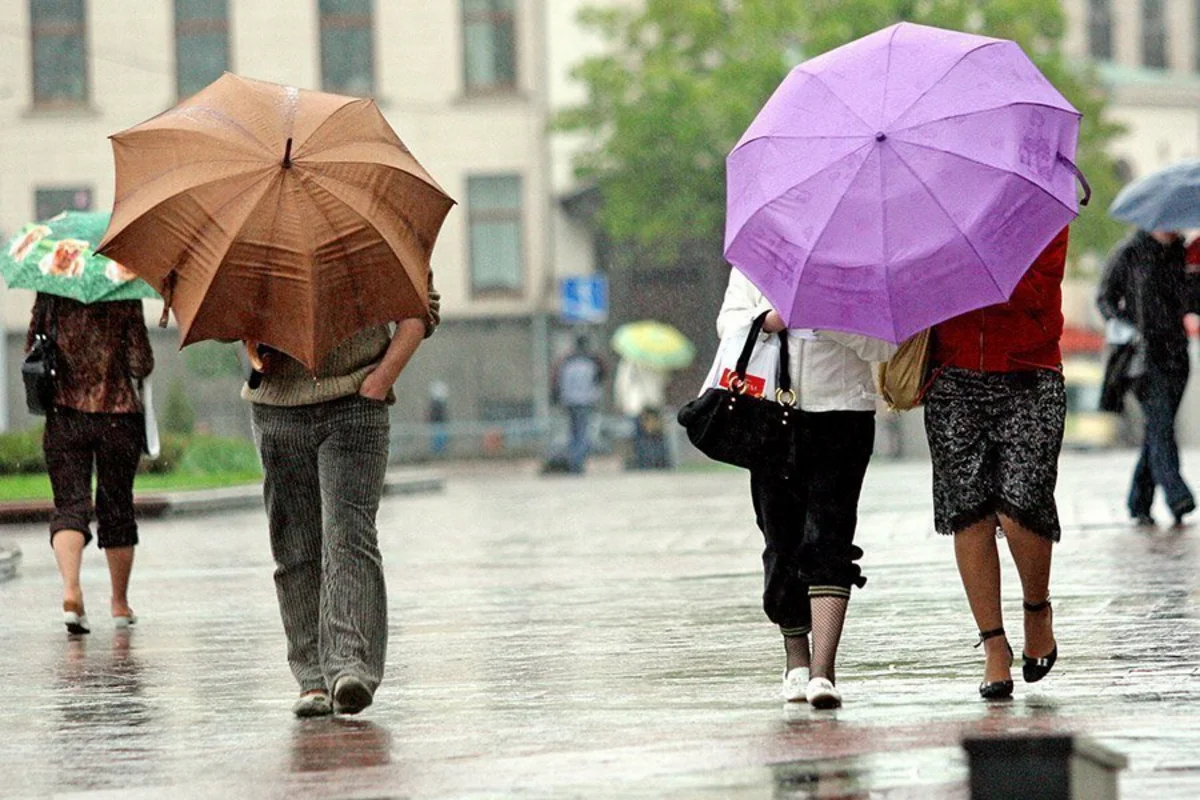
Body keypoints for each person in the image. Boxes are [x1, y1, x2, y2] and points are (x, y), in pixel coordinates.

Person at [245, 288, 439, 718]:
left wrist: (381, 378)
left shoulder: (381, 227)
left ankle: (350, 668)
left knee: (347, 535)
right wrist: (249, 335)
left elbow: (420, 310)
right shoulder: (260, 236)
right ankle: (312, 678)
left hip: (355, 406)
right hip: (278, 409)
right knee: (294, 546)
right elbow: (229, 319)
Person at [717, 268, 894, 709]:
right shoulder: (756, 262)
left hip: (844, 414)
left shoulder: (861, 264)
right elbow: (730, 326)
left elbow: (886, 344)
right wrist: (774, 318)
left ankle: (823, 671)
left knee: (830, 540)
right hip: (771, 417)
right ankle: (796, 659)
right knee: (781, 540)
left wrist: (830, 315)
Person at [924, 228, 1070, 700]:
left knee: (1021, 506)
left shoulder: (1040, 210)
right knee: (969, 514)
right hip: (953, 377)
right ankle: (993, 646)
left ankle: (1036, 610)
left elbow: (1034, 293)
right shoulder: (935, 213)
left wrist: (981, 253)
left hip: (1030, 376)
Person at [27, 293, 154, 635]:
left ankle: (71, 594)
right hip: (117, 417)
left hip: (65, 415)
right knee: (117, 508)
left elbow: (32, 347)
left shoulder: (50, 294)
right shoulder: (123, 291)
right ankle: (119, 604)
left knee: (69, 506)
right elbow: (141, 363)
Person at [1097, 228, 1198, 527]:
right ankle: (1178, 495)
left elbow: (1193, 303)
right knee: (1161, 425)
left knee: (1157, 429)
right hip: (1142, 357)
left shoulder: (1184, 255)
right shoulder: (1130, 251)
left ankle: (1138, 502)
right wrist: (1124, 325)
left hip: (1177, 355)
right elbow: (1105, 298)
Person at [551, 334, 606, 474]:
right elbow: (599, 378)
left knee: (573, 432)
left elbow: (558, 382)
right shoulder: (590, 363)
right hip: (585, 401)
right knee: (583, 433)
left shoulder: (567, 363)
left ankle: (573, 459)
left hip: (569, 401)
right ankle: (577, 461)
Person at [614, 357, 670, 469]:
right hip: (654, 402)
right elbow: (665, 381)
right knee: (656, 435)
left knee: (640, 436)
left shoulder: (629, 362)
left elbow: (622, 383)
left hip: (637, 403)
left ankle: (644, 462)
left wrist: (619, 401)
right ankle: (658, 462)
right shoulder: (658, 360)